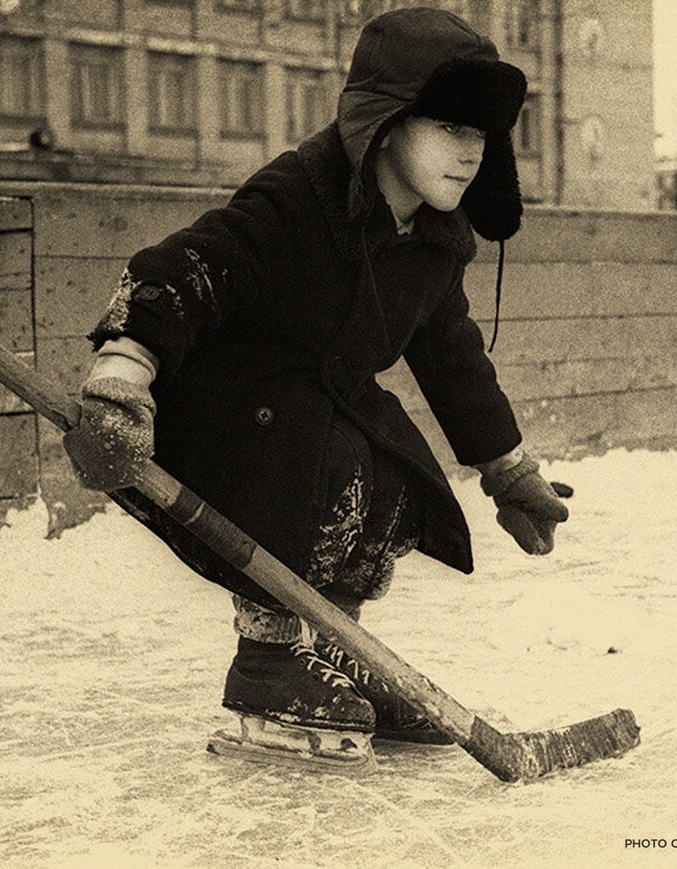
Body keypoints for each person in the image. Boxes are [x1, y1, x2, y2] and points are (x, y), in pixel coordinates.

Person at [64, 6, 569, 769]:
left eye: (480, 136)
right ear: (387, 122)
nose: (469, 154)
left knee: (399, 472)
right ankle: (267, 663)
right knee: (323, 452)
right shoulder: (298, 195)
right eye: (449, 127)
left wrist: (510, 472)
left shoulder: (435, 239)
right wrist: (122, 375)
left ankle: (336, 647)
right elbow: (184, 268)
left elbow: (453, 355)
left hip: (313, 405)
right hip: (223, 412)